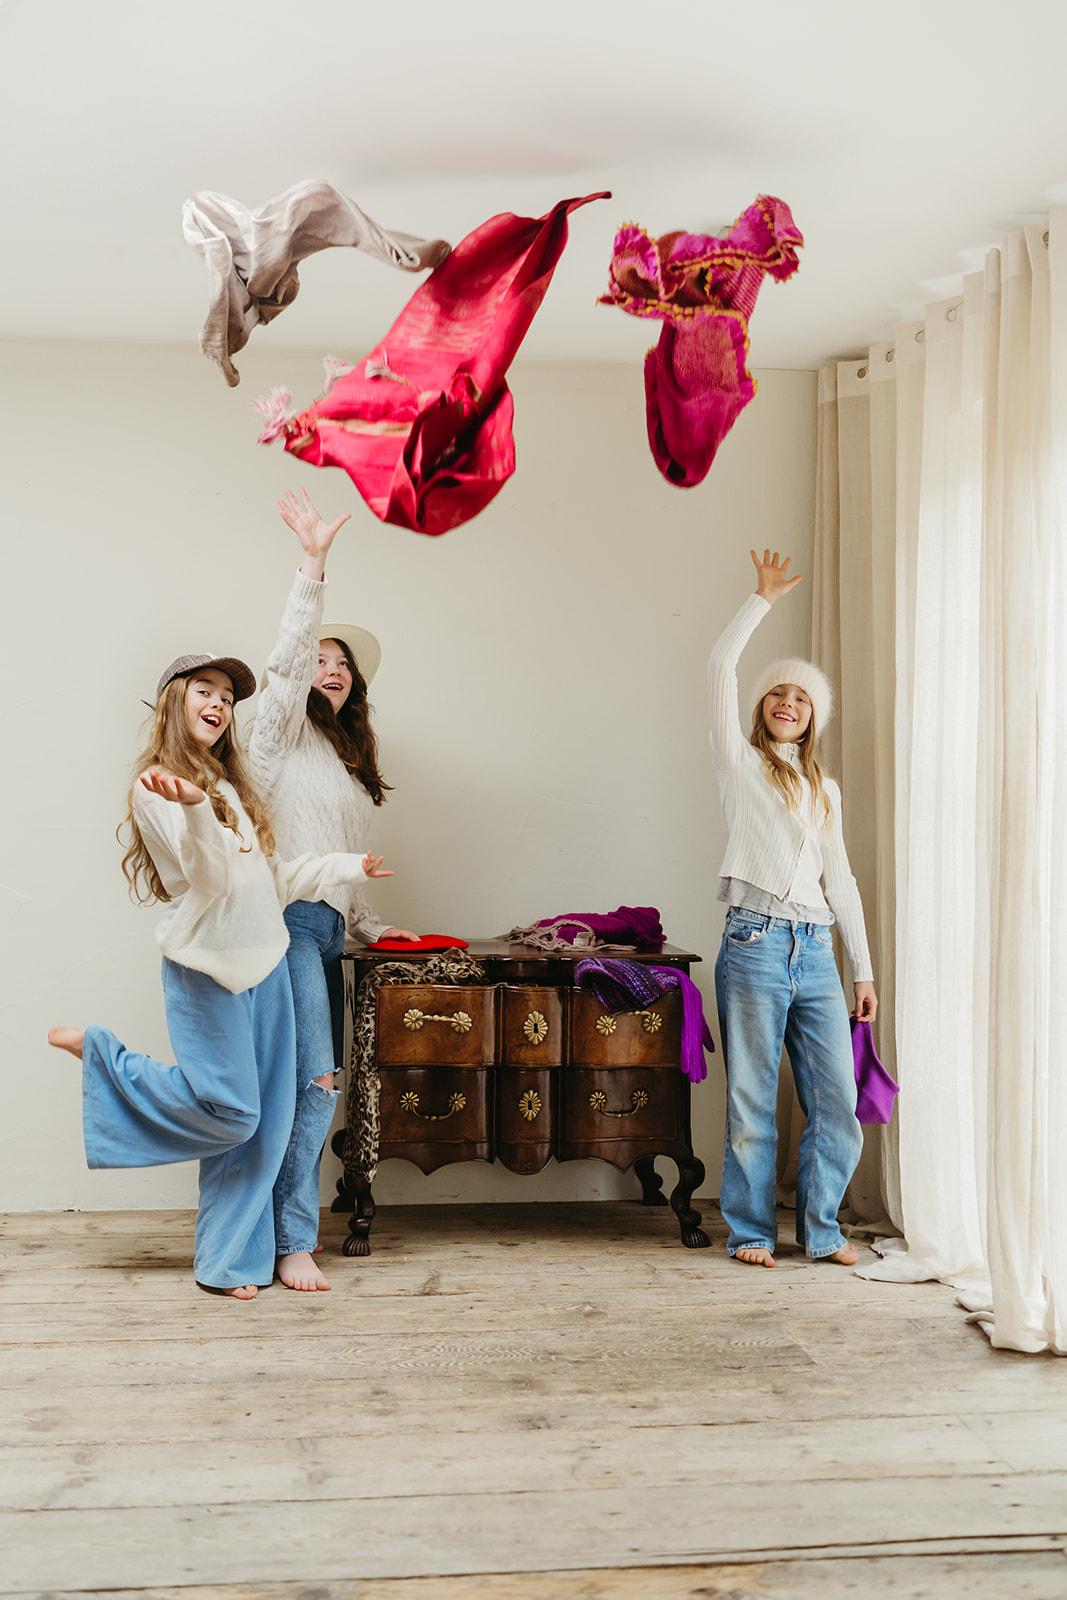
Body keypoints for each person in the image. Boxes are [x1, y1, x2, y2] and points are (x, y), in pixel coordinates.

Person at [47, 654, 392, 1300]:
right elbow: (204, 879)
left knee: (262, 1127)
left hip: (263, 964)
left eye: (228, 698)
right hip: (207, 971)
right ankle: (105, 1059)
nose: (219, 704)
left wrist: (347, 867)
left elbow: (270, 880)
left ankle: (230, 1261)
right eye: (204, 691)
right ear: (176, 702)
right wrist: (198, 811)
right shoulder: (158, 785)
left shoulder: (226, 787)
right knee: (232, 1115)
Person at [247, 488, 418, 1294]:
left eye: (342, 666)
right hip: (281, 923)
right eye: (323, 659)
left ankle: (275, 1233)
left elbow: (337, 860)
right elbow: (281, 666)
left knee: (310, 1083)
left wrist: (374, 928)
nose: (330, 671)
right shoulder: (277, 735)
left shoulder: (344, 764)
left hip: (324, 929)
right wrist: (312, 567)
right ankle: (289, 1241)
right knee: (312, 1082)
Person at [707, 549, 878, 1269]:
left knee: (835, 1104)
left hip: (814, 950)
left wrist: (861, 970)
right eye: (778, 694)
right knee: (753, 1102)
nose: (787, 703)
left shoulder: (825, 790)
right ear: (761, 708)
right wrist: (760, 601)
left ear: (814, 718)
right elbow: (718, 668)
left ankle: (823, 1230)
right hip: (752, 942)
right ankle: (750, 1231)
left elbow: (839, 879)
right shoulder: (740, 766)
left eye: (801, 699)